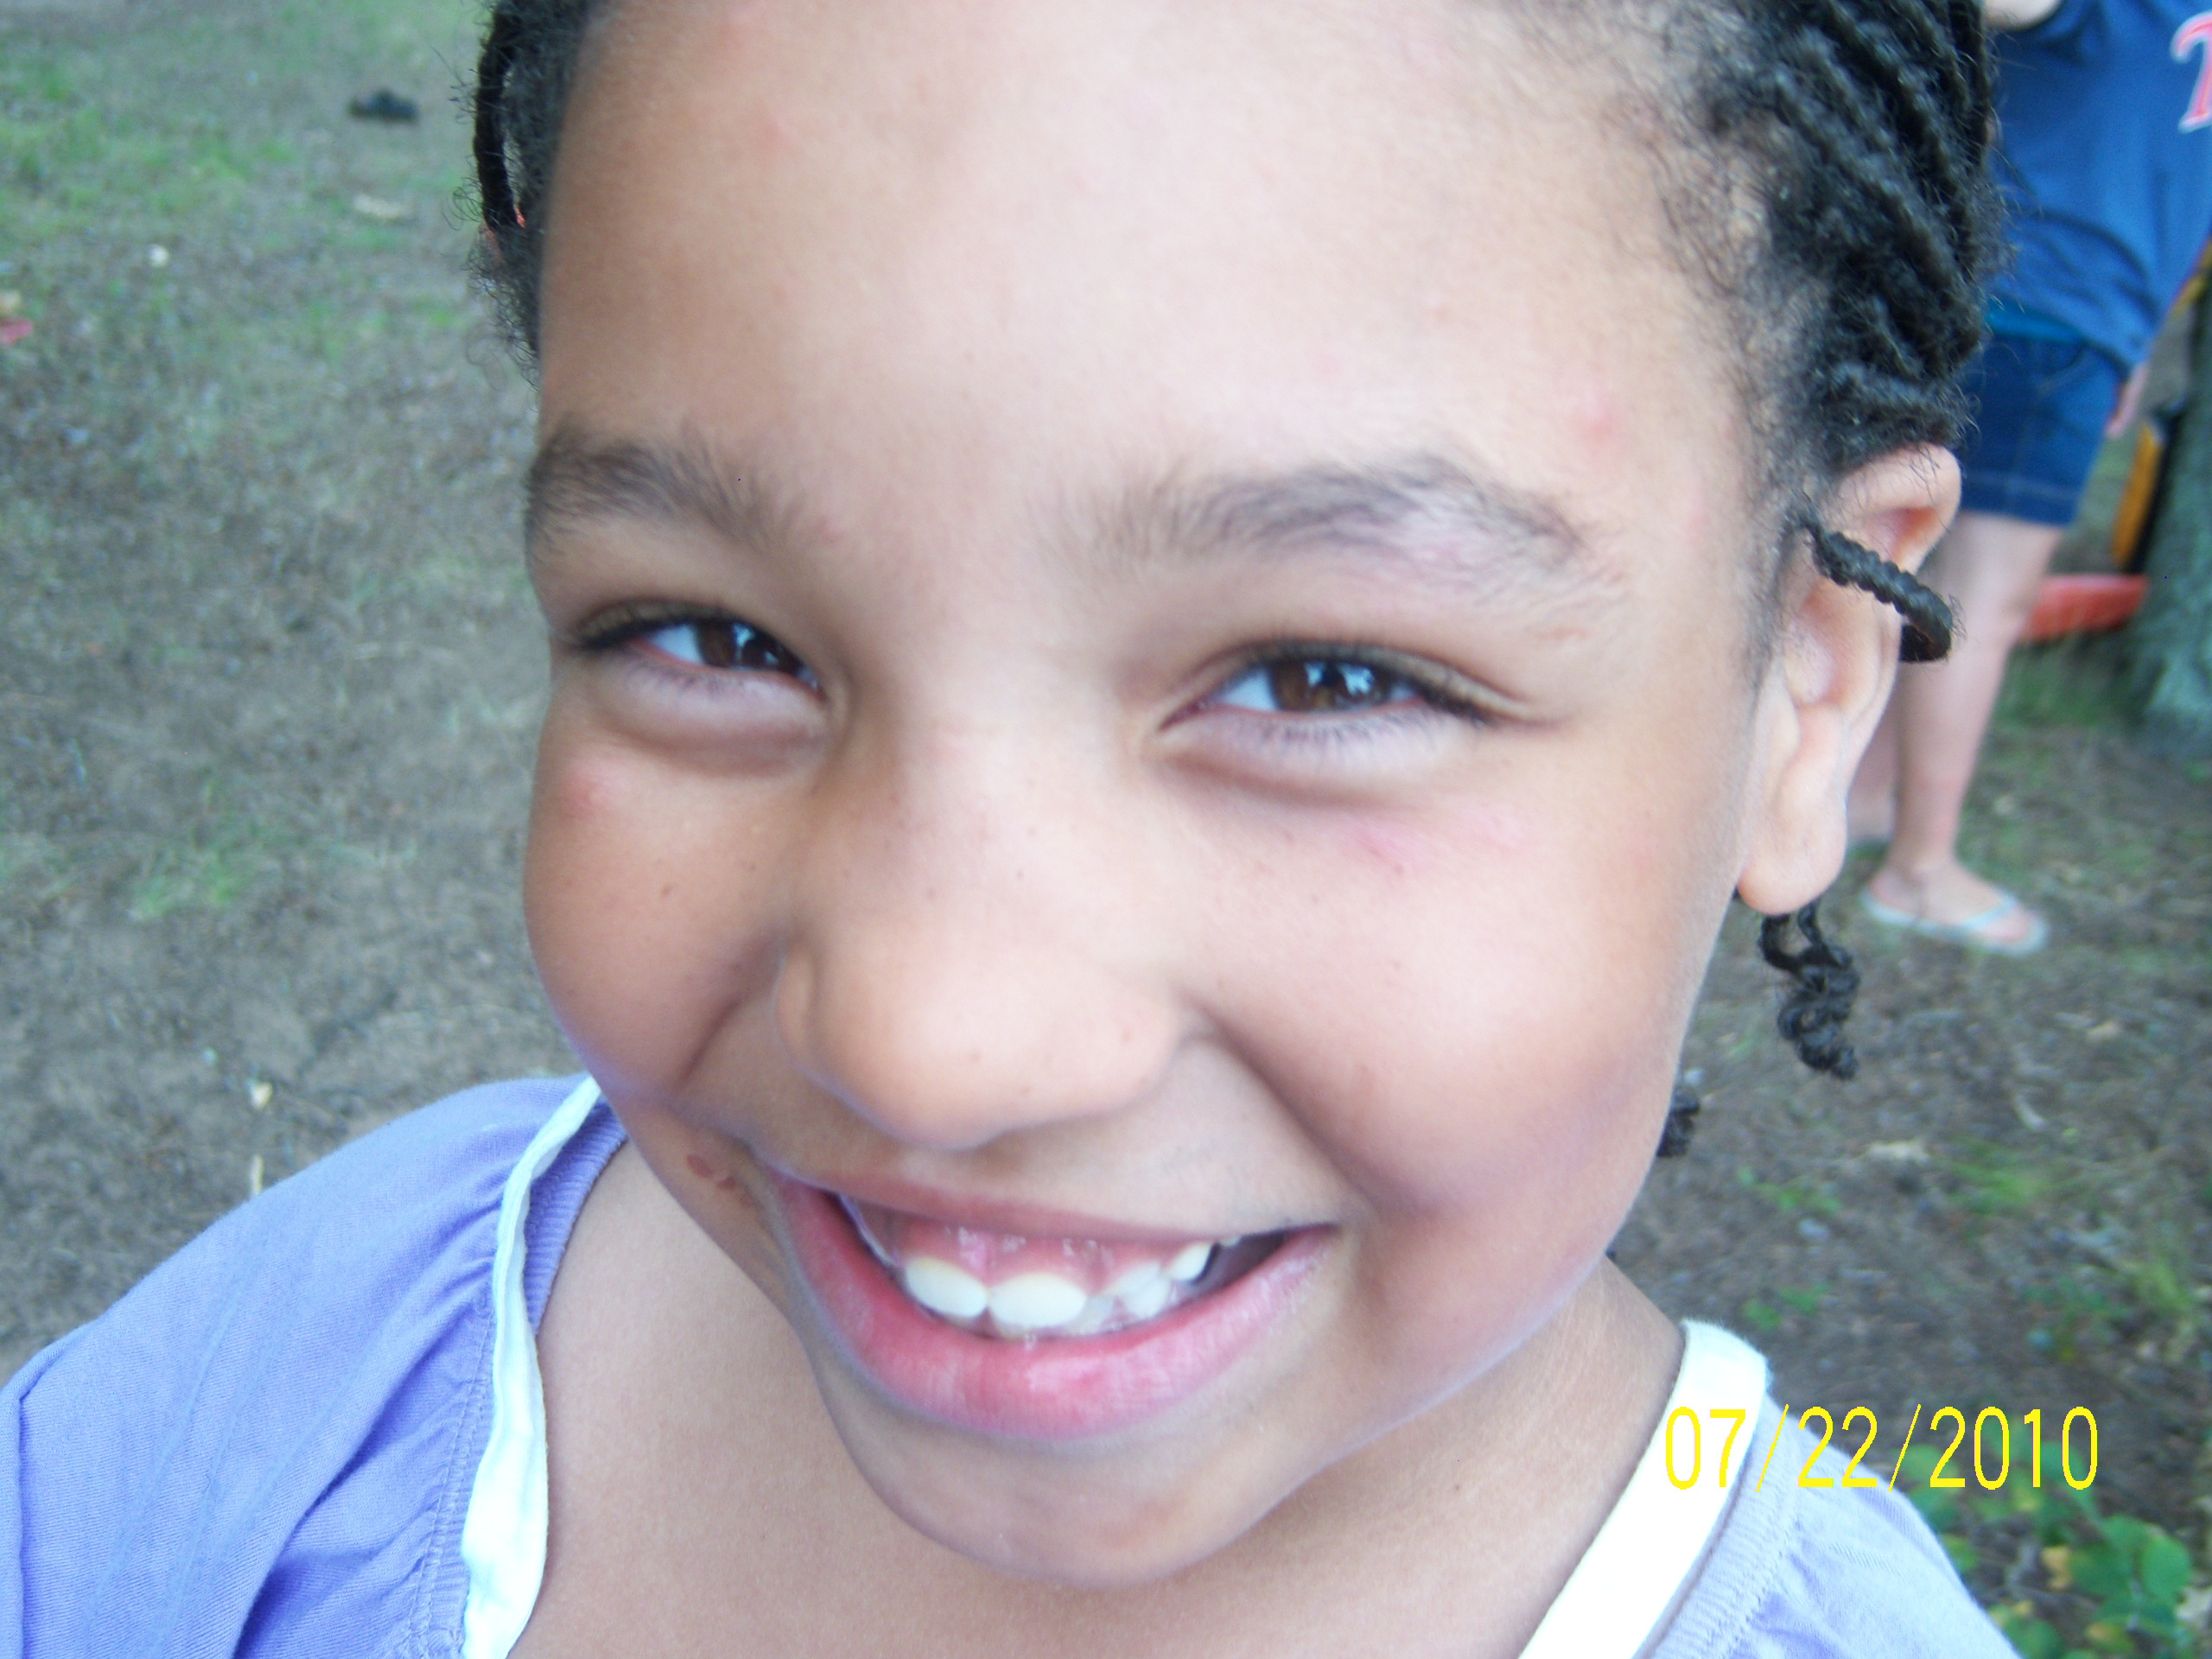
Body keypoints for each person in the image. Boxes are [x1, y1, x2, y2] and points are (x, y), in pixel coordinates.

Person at [1, 3, 2017, 1655]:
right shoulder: (296, 1384)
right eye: (709, 637)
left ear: (1805, 685)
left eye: (1321, 675)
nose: (925, 1044)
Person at [1849, 0, 2212, 953]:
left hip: (2078, 321)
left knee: (1931, 568)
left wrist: (2133, 339)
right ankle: (1919, 872)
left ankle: (1871, 797)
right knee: (1987, 595)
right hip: (2040, 309)